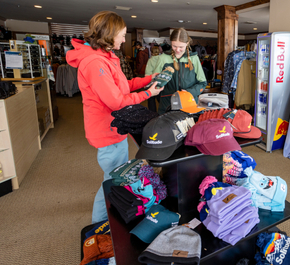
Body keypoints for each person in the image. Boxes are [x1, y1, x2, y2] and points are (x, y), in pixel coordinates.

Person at [66, 10, 163, 224]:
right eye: (121, 34)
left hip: (115, 129)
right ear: (110, 34)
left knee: (116, 179)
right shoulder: (95, 63)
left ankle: (104, 224)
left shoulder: (107, 58)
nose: (123, 39)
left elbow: (124, 86)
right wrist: (149, 94)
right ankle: (99, 227)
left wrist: (149, 79)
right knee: (113, 183)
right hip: (106, 131)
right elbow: (116, 101)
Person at [145, 27, 207, 114]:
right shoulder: (163, 58)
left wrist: (189, 92)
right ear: (170, 43)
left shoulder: (194, 58)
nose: (177, 50)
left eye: (181, 47)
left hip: (190, 105)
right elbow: (155, 82)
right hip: (167, 106)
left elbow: (202, 83)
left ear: (187, 43)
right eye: (174, 46)